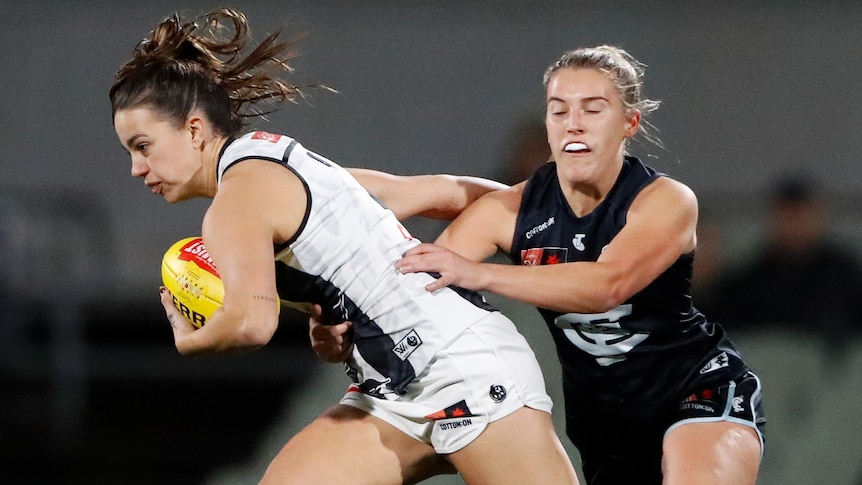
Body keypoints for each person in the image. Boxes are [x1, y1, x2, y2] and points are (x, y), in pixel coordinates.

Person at [109, 7, 579, 485]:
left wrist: (192, 340)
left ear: (193, 130)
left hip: (465, 371)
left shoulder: (233, 207)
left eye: (142, 145)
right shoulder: (293, 163)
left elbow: (250, 324)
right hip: (395, 393)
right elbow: (445, 190)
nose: (135, 168)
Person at [312, 45, 765, 484]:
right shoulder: (509, 210)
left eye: (593, 109)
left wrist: (481, 272)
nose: (574, 125)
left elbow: (608, 285)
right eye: (559, 110)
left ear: (629, 123)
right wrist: (338, 326)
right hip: (604, 423)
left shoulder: (666, 200)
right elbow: (411, 287)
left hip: (697, 388)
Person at [710, 174, 862, 349]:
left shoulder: (842, 274)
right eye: (788, 216)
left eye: (802, 215)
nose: (795, 226)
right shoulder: (754, 280)